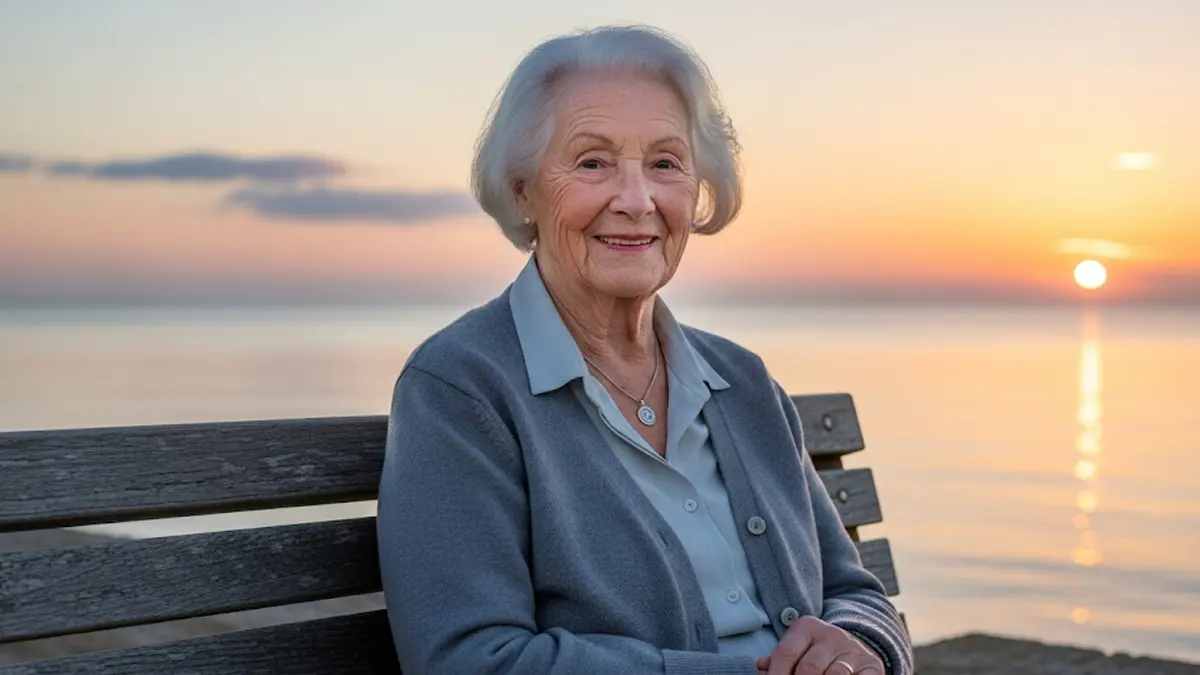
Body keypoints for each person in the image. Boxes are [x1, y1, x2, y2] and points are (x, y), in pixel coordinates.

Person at [376, 24, 913, 675]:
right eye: (593, 162)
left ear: (697, 189)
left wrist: (862, 644)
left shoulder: (741, 380)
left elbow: (853, 590)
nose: (636, 201)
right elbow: (467, 659)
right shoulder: (461, 388)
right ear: (523, 190)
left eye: (664, 163)